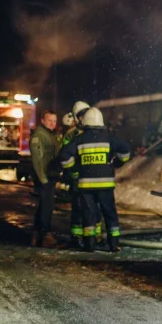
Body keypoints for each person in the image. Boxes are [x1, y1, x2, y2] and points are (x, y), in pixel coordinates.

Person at [57, 108, 130, 253]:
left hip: (86, 186)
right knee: (109, 213)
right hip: (105, 186)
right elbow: (126, 150)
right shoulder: (109, 137)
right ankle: (113, 245)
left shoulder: (80, 139)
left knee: (88, 214)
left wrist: (75, 168)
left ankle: (89, 245)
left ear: (85, 122)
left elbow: (64, 156)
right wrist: (117, 163)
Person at [62, 101, 91, 246]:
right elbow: (65, 155)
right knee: (78, 208)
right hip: (78, 178)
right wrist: (73, 173)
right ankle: (77, 237)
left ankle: (92, 237)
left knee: (92, 209)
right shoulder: (71, 134)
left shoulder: (94, 132)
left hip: (91, 178)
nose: (83, 118)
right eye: (81, 115)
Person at [29, 110, 60, 247]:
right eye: (49, 120)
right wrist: (43, 179)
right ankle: (45, 235)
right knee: (47, 206)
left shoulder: (50, 135)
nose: (52, 123)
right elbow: (37, 160)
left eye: (54, 121)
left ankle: (36, 236)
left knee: (44, 205)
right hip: (44, 177)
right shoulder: (39, 135)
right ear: (42, 121)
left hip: (49, 176)